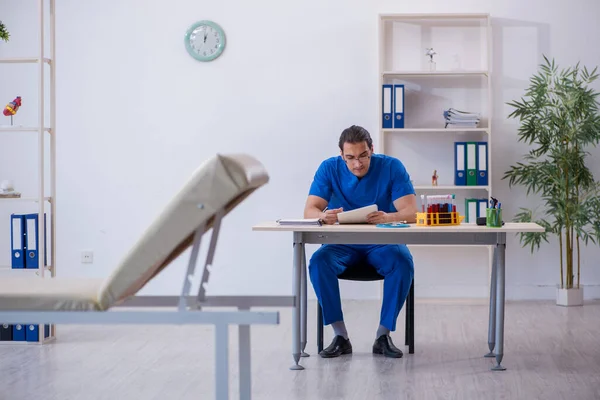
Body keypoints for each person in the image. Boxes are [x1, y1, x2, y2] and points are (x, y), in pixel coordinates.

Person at [303, 125, 417, 359]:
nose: (357, 164)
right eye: (350, 158)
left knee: (403, 262)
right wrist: (323, 216)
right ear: (341, 156)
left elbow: (412, 212)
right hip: (341, 244)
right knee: (318, 262)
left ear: (371, 150)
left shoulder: (391, 167)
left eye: (363, 155)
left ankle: (383, 336)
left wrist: (389, 217)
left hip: (382, 242)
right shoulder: (329, 168)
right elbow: (309, 210)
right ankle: (340, 336)